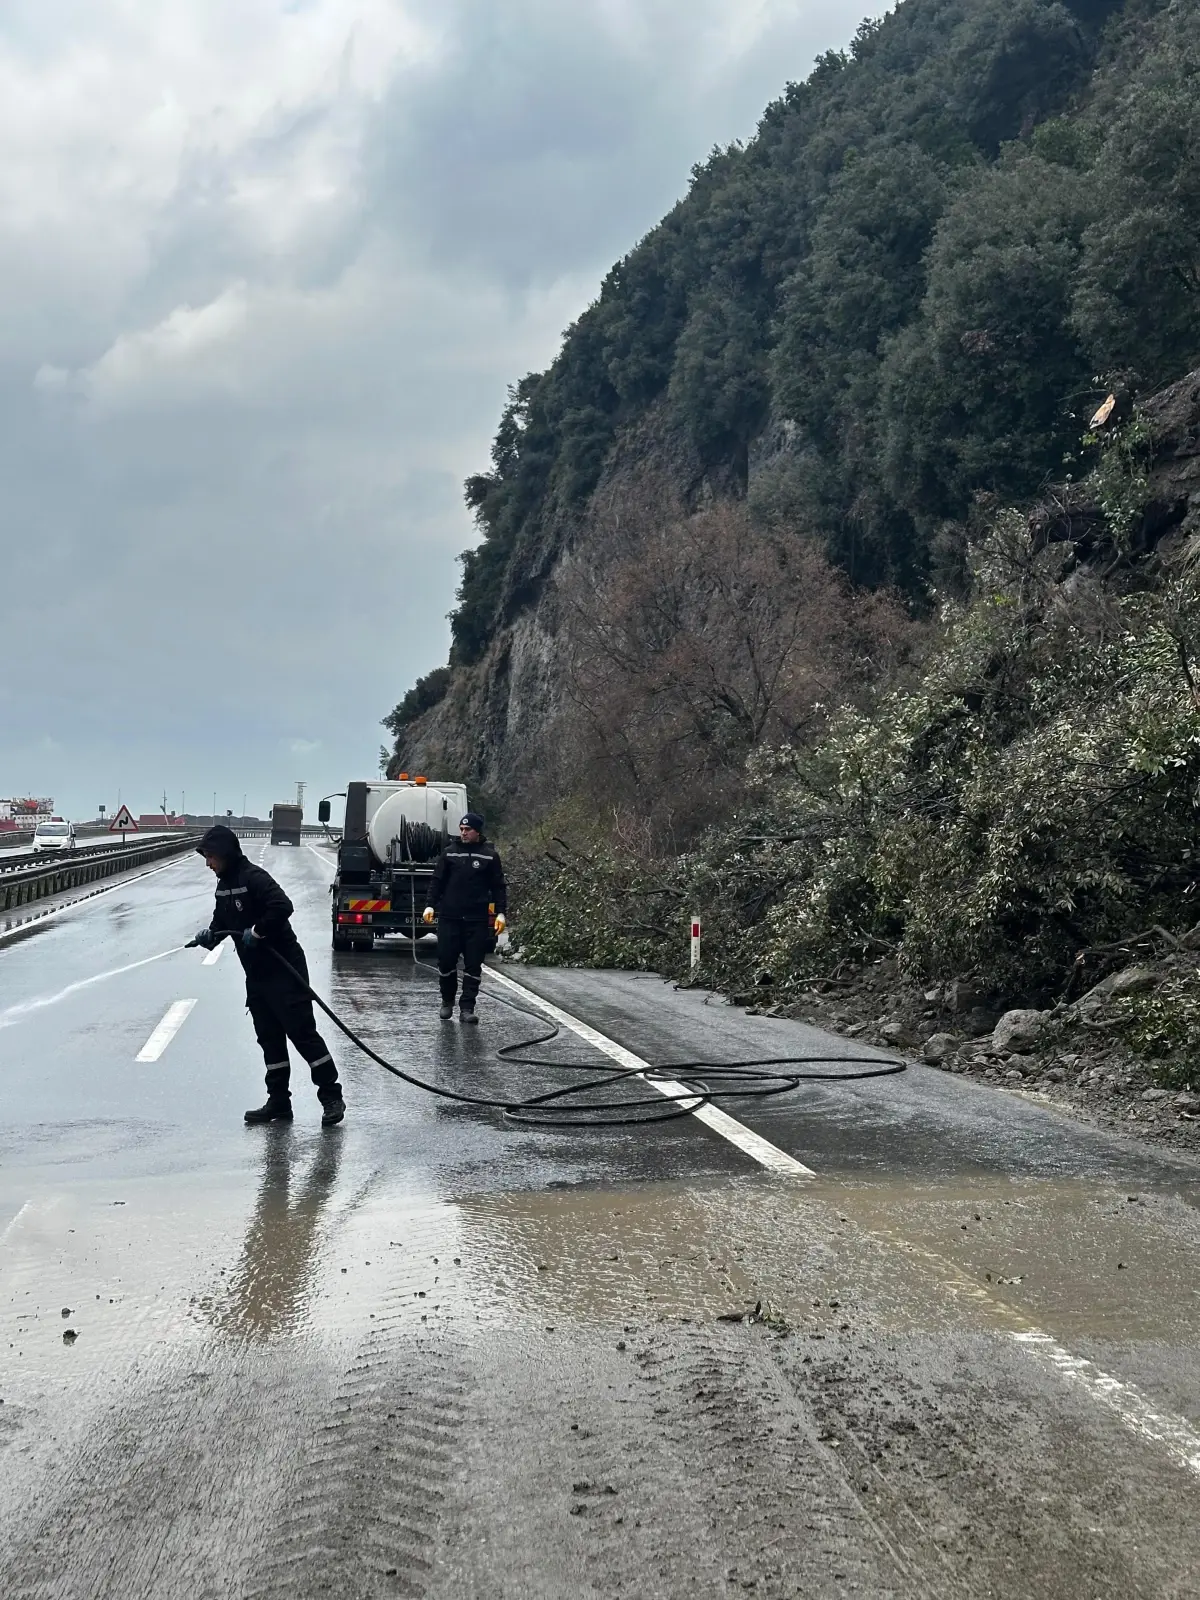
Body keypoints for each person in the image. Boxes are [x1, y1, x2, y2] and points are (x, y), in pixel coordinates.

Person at [190, 824, 346, 1126]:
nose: (207, 863)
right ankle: (279, 1102)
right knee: (270, 1040)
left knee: (302, 1035)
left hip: (285, 970)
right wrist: (210, 936)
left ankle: (331, 1097)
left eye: (210, 856)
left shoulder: (254, 877)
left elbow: (282, 906)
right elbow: (222, 922)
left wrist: (259, 931)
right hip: (257, 976)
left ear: (224, 853)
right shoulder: (223, 886)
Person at [423, 811, 507, 1024]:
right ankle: (447, 1000)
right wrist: (430, 905)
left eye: (468, 829)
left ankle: (467, 1007)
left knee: (473, 965)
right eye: (461, 829)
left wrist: (501, 913)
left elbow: (498, 887)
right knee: (446, 961)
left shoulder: (489, 856)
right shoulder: (449, 853)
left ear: (477, 831)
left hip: (476, 920)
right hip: (449, 918)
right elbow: (437, 881)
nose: (463, 833)